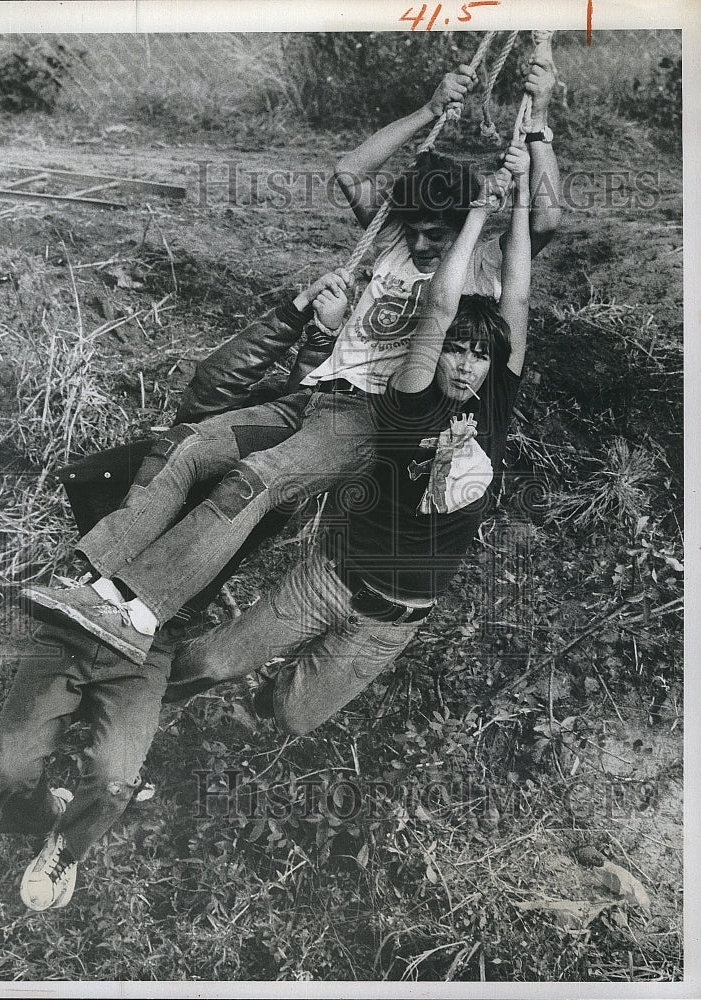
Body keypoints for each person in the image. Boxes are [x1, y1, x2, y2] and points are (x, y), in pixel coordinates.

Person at [23, 55, 559, 667]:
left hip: (368, 422)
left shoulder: (475, 268)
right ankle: (94, 582)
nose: (421, 242)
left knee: (255, 481)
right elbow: (350, 171)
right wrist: (430, 111)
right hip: (313, 396)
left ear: (463, 226)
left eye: (437, 231)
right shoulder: (390, 244)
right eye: (414, 227)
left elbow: (544, 221)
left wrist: (537, 125)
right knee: (187, 446)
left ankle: (140, 611)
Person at [0, 273, 348, 912]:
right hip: (77, 615)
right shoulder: (198, 436)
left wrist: (325, 337)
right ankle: (36, 808)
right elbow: (222, 376)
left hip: (152, 642)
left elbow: (318, 409)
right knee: (8, 766)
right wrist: (297, 311)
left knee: (116, 779)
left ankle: (64, 848)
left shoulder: (274, 483)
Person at [169, 141, 532, 734]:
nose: (465, 366)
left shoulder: (494, 401)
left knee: (288, 717)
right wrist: (474, 213)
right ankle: (146, 697)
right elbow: (439, 306)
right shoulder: (413, 393)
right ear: (431, 352)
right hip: (334, 577)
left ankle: (245, 711)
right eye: (455, 352)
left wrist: (514, 198)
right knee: (208, 662)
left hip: (395, 618)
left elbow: (515, 295)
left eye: (477, 357)